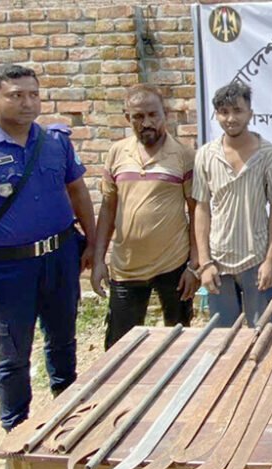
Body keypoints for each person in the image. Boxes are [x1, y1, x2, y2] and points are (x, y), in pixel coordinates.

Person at [0, 64, 95, 431]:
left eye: (33, 94)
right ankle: (16, 429)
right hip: (9, 270)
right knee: (13, 356)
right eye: (16, 95)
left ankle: (68, 419)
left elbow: (78, 192)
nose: (28, 103)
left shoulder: (56, 142)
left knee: (63, 343)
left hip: (60, 258)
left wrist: (92, 244)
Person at [91, 84, 198, 350]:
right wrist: (98, 260)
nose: (146, 122)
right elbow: (107, 208)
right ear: (127, 118)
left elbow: (196, 212)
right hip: (126, 267)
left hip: (173, 265)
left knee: (179, 344)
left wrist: (193, 266)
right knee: (118, 348)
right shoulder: (117, 153)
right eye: (138, 116)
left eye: (153, 115)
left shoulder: (184, 155)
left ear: (165, 115)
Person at [193, 80, 272, 328]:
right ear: (216, 115)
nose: (231, 118)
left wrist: (271, 259)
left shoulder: (268, 154)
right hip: (218, 263)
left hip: (257, 262)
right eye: (224, 112)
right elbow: (201, 209)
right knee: (223, 338)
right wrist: (205, 263)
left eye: (237, 111)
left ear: (250, 113)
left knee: (265, 335)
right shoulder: (206, 156)